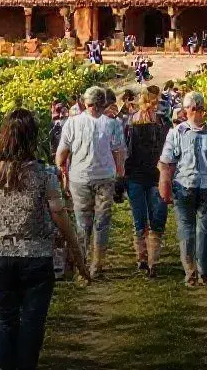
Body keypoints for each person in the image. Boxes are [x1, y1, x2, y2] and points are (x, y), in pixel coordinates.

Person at [0, 109, 91, 370]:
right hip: (36, 256)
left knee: (5, 319)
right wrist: (77, 256)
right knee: (32, 323)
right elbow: (60, 215)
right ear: (32, 138)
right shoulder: (44, 174)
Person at [159, 91, 207, 286]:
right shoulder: (176, 133)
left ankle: (203, 271)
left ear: (195, 109)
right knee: (186, 229)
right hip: (184, 187)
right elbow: (167, 163)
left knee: (206, 230)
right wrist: (164, 185)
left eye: (190, 108)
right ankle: (190, 272)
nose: (189, 112)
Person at [56, 86, 126, 278]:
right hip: (104, 177)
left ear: (85, 103)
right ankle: (96, 264)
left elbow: (62, 154)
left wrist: (63, 172)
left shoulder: (72, 123)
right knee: (102, 222)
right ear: (103, 104)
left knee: (82, 223)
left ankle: (83, 264)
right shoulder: (113, 124)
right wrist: (119, 174)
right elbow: (118, 152)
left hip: (80, 179)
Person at [123, 90, 171, 277]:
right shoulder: (131, 123)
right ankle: (147, 260)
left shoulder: (158, 122)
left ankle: (148, 261)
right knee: (147, 220)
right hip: (144, 174)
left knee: (147, 219)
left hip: (147, 175)